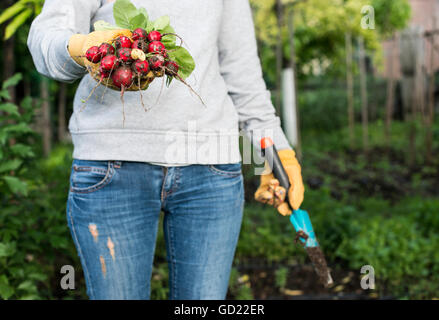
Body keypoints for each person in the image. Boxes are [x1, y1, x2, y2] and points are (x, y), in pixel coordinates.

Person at [27, 0, 305, 300]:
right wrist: (83, 48)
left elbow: (243, 75)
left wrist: (277, 151)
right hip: (111, 165)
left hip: (211, 170)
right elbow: (46, 38)